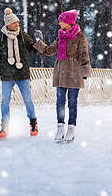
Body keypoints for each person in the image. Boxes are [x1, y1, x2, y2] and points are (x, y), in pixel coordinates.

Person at [33, 9, 93, 143]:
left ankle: (71, 130)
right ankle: (60, 128)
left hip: (74, 74)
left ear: (68, 22)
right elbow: (49, 51)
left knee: (72, 103)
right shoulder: (60, 36)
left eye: (61, 21)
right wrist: (39, 41)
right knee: (60, 103)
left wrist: (87, 75)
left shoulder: (80, 37)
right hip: (61, 74)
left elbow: (84, 56)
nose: (59, 23)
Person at [0, 8, 39, 139]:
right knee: (5, 102)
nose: (17, 24)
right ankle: (4, 128)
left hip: (22, 75)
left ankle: (33, 124)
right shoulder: (0, 38)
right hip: (7, 76)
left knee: (28, 100)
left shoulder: (23, 35)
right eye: (14, 22)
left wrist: (39, 42)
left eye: (18, 22)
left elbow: (33, 51)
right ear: (7, 24)